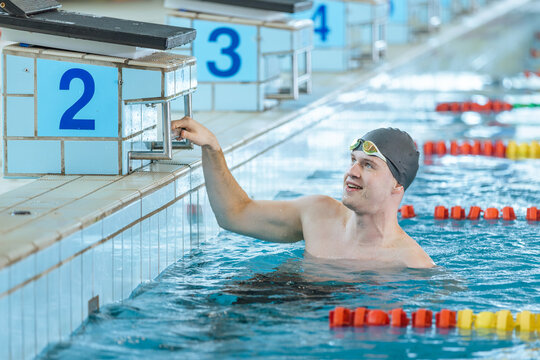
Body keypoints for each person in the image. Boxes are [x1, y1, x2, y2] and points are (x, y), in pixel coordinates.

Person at [171, 117, 435, 269]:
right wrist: (212, 148)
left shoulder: (412, 263)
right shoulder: (318, 213)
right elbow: (233, 215)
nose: (352, 172)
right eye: (352, 160)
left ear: (397, 186)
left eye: (368, 165)